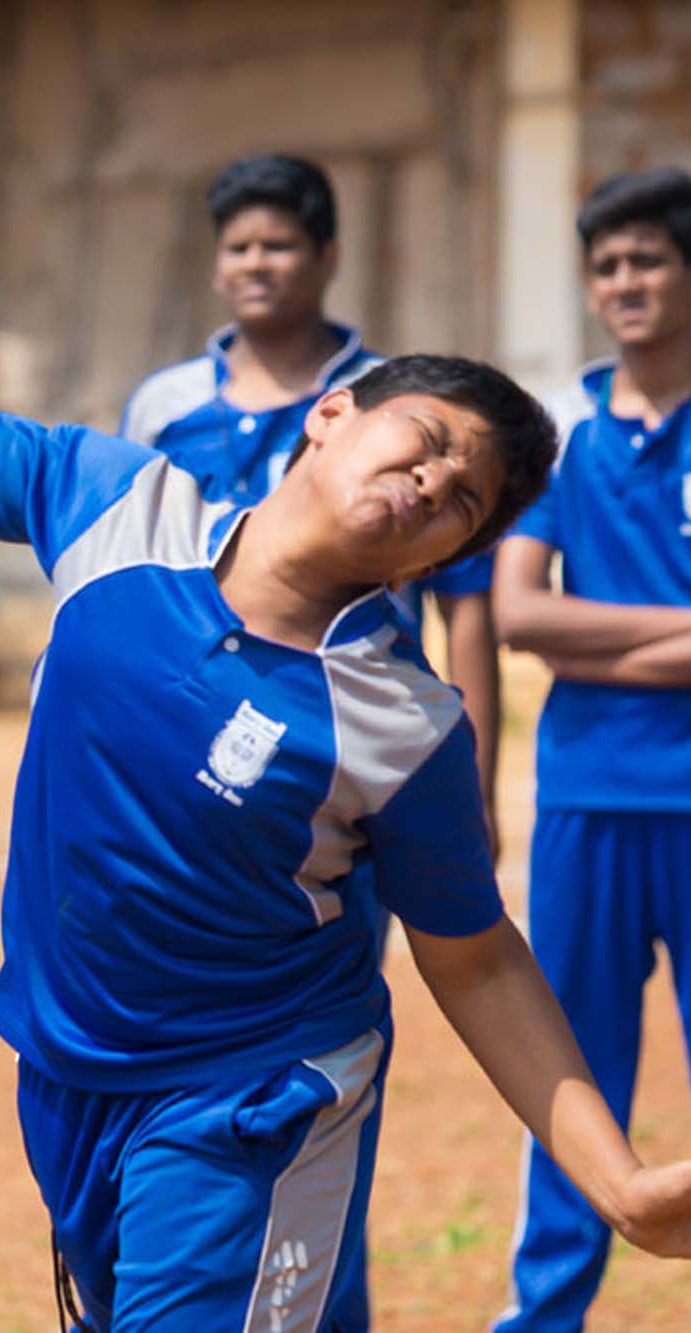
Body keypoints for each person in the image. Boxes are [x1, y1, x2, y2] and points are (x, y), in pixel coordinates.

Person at [0, 42, 691, 1332]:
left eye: (459, 502)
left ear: (436, 561)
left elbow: (473, 958)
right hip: (66, 1075)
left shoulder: (399, 722)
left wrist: (620, 1183)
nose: (430, 484)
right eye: (425, 443)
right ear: (332, 413)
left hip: (253, 1097)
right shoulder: (112, 505)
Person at [493, 169, 691, 1330]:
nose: (624, 282)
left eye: (646, 260)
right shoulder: (552, 434)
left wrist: (592, 643)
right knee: (571, 1082)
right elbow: (516, 612)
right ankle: (544, 1313)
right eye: (605, 266)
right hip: (584, 797)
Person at [120, 153, 501, 855]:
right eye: (239, 248)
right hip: (181, 724)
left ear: (328, 258)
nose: (256, 264)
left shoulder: (394, 404)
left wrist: (477, 792)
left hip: (348, 733)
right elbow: (132, 571)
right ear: (216, 265)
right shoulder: (162, 407)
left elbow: (466, 606)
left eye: (279, 245)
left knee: (331, 911)